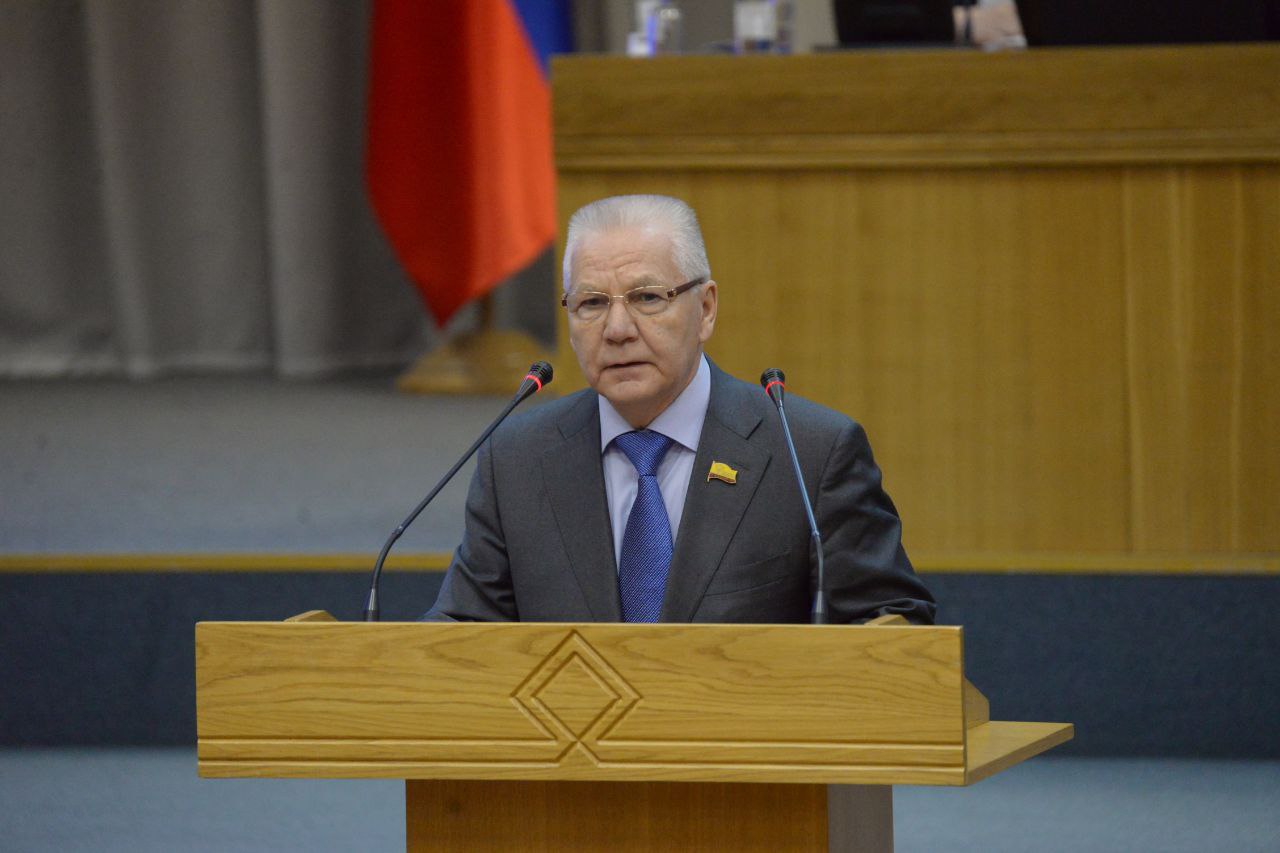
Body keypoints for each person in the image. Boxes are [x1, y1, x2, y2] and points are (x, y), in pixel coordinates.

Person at [424, 194, 934, 624]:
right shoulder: (517, 459)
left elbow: (893, 625)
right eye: (592, 304)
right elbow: (459, 637)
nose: (617, 330)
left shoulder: (809, 454)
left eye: (647, 298)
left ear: (705, 309)